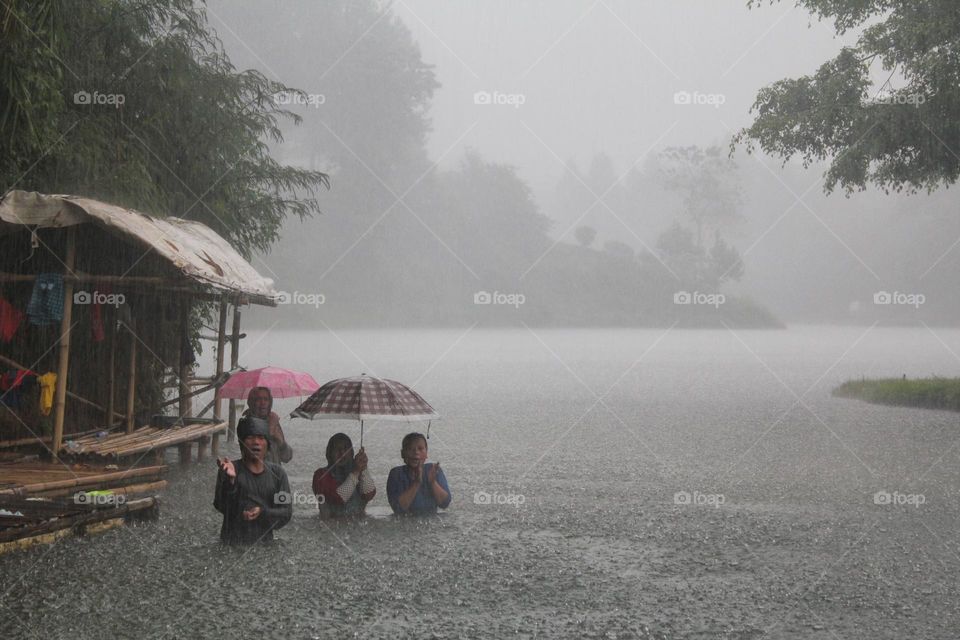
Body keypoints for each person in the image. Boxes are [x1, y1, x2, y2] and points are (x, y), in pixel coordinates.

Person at [214, 416, 292, 544]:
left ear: (267, 444)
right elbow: (221, 506)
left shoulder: (278, 474)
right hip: (232, 544)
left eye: (261, 438)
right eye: (250, 437)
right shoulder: (228, 469)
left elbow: (286, 513)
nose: (256, 442)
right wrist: (231, 482)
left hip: (265, 545)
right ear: (242, 443)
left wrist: (262, 513)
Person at [312, 433, 376, 518]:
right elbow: (338, 498)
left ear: (352, 452)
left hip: (358, 527)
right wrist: (356, 472)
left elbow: (369, 495)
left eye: (346, 449)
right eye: (337, 449)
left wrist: (364, 468)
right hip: (332, 526)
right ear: (329, 453)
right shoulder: (320, 475)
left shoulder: (359, 471)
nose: (342, 453)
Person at [386, 432, 451, 515]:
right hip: (405, 523)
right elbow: (398, 509)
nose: (416, 452)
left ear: (426, 453)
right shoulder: (396, 474)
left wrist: (433, 482)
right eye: (410, 449)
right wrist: (416, 483)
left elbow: (445, 503)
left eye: (420, 449)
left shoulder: (433, 470)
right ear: (402, 453)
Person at [243, 386, 293, 465]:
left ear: (270, 402)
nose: (263, 403)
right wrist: (270, 429)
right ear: (252, 402)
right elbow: (256, 455)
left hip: (275, 474)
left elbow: (287, 457)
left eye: (266, 399)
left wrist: (282, 443)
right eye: (258, 399)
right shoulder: (246, 423)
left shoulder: (272, 420)